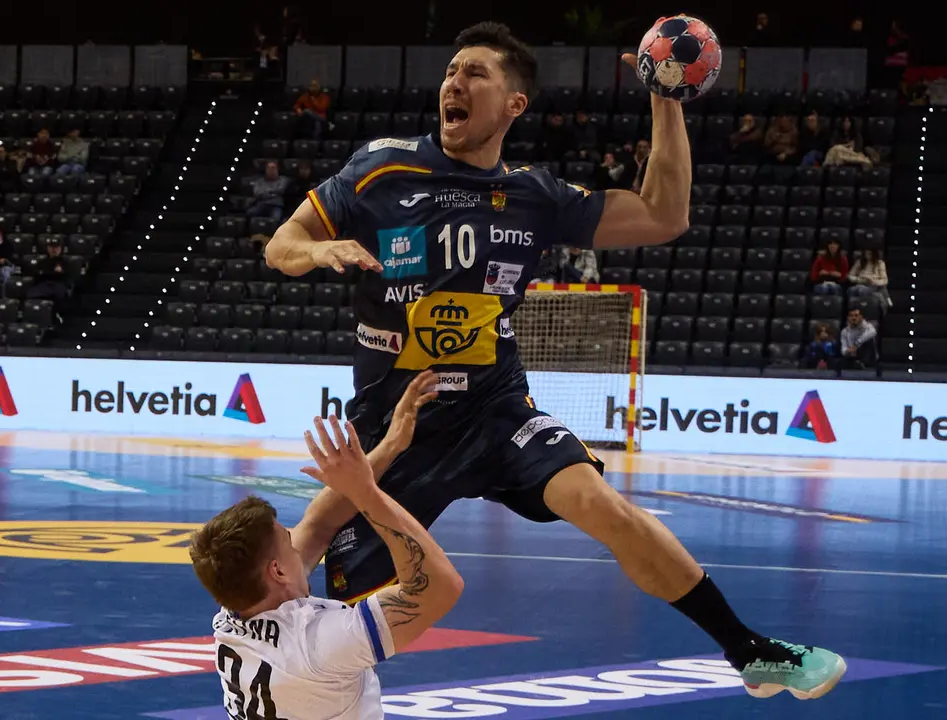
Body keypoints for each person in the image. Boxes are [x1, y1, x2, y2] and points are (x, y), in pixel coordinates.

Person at [263, 21, 845, 701]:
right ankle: (261, 679)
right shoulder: (382, 166)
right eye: (451, 71)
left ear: (514, 104)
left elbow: (663, 214)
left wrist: (664, 100)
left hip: (494, 407)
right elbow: (283, 241)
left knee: (603, 506)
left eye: (475, 73)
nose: (454, 82)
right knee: (308, 580)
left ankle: (749, 650)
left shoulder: (535, 196)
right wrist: (317, 252)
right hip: (397, 424)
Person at [191, 372, 463, 718]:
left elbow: (319, 524)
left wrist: (391, 446)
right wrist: (365, 492)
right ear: (276, 570)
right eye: (287, 542)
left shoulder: (236, 608)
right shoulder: (319, 644)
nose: (296, 541)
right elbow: (438, 587)